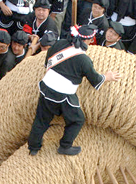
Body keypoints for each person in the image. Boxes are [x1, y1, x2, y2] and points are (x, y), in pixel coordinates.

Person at [27, 24, 121, 156]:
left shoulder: (59, 44)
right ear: (88, 40)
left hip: (46, 87)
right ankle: (65, 146)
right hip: (64, 94)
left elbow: (47, 61)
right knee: (77, 120)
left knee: (41, 120)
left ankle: (33, 147)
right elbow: (95, 80)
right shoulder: (84, 59)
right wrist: (107, 77)